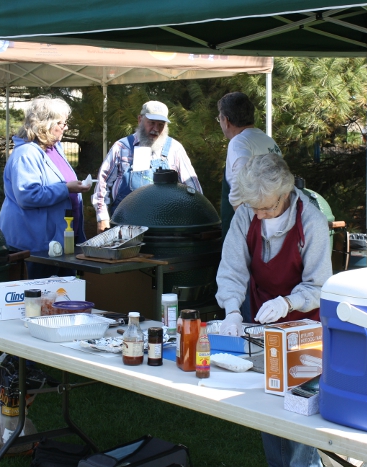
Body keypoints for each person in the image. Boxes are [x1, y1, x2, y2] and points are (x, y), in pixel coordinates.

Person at [215, 153, 331, 467]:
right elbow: (232, 270)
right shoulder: (246, 216)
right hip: (263, 324)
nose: (262, 215)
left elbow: (320, 285)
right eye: (256, 208)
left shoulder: (312, 223)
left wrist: (289, 302)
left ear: (285, 193)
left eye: (268, 207)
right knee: (269, 410)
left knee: (297, 420)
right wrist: (232, 311)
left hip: (304, 329)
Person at [0, 96, 91, 279]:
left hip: (59, 241)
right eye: (61, 123)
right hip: (35, 244)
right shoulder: (26, 153)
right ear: (45, 124)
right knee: (40, 299)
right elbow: (28, 196)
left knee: (63, 296)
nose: (65, 127)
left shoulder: (54, 148)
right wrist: (66, 188)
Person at [92, 100, 202, 233]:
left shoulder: (175, 149)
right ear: (140, 120)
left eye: (161, 125)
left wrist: (195, 217)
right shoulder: (122, 147)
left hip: (163, 229)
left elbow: (193, 188)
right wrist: (102, 218)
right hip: (124, 226)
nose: (156, 129)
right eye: (152, 123)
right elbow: (103, 184)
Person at [217, 92, 282, 237]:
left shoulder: (238, 142)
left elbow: (241, 179)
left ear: (226, 121)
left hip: (247, 230)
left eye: (219, 119)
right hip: (273, 223)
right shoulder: (268, 141)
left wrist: (246, 228)